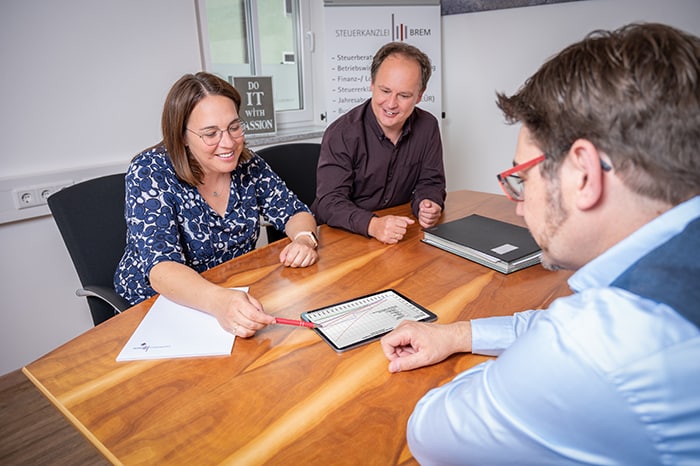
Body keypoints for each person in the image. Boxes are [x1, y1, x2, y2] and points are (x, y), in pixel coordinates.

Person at [380, 23, 700, 464]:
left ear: (583, 174)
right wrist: (457, 333)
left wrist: (515, 371)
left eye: (523, 177)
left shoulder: (608, 345)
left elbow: (431, 432)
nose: (518, 207)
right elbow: (553, 328)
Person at [115, 72, 319, 337]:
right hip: (159, 305)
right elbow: (161, 269)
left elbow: (295, 211)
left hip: (229, 295)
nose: (229, 143)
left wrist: (304, 239)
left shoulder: (248, 164)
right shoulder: (150, 171)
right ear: (182, 136)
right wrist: (218, 301)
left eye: (234, 127)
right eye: (211, 133)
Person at [312, 42, 446, 244]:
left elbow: (431, 182)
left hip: (396, 233)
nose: (391, 104)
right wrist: (373, 225)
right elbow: (329, 203)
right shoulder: (342, 133)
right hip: (340, 236)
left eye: (404, 95)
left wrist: (428, 203)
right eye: (385, 90)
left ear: (419, 95)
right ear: (372, 84)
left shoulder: (428, 127)